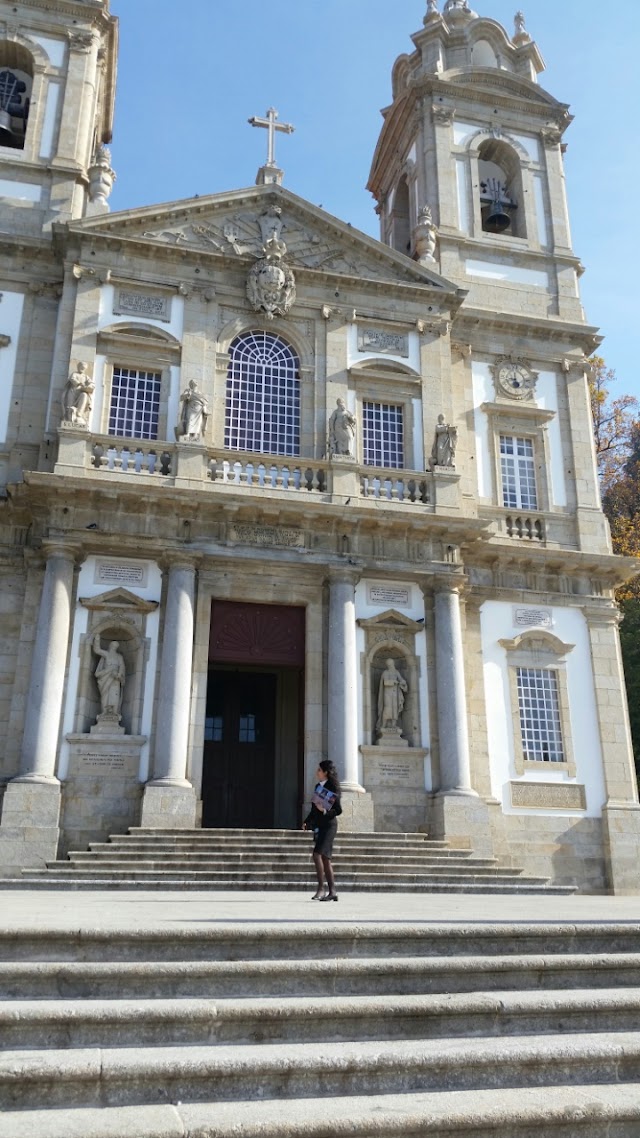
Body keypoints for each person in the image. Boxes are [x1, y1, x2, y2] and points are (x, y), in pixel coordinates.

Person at [302, 760, 342, 901]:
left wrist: (324, 810)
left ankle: (321, 889)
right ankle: (332, 891)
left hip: (330, 826)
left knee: (317, 854)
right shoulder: (317, 787)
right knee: (325, 858)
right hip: (320, 826)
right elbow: (314, 810)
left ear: (325, 772)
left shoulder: (333, 787)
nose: (317, 772)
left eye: (319, 770)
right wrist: (307, 821)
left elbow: (338, 810)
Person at [93, 636, 126, 717]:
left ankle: (114, 712)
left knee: (115, 694)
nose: (113, 647)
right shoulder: (106, 654)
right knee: (105, 694)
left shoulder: (119, 656)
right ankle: (104, 712)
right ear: (110, 646)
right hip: (106, 676)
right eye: (112, 646)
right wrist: (97, 640)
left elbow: (122, 667)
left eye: (115, 646)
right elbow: (97, 650)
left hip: (115, 678)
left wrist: (119, 674)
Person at [377, 658, 408, 732]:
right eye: (389, 664)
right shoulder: (385, 672)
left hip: (395, 693)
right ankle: (383, 725)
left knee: (395, 708)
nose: (390, 665)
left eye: (391, 664)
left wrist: (403, 682)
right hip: (387, 693)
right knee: (387, 708)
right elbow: (385, 683)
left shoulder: (396, 672)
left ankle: (393, 725)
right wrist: (394, 682)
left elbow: (401, 679)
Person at [61, 362, 94, 427]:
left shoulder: (86, 377)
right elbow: (72, 379)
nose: (82, 369)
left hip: (81, 392)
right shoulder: (74, 374)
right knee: (69, 405)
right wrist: (79, 383)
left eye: (83, 368)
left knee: (84, 395)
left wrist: (89, 386)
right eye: (81, 367)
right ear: (78, 367)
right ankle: (69, 418)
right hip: (73, 391)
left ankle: (79, 414)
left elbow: (91, 383)